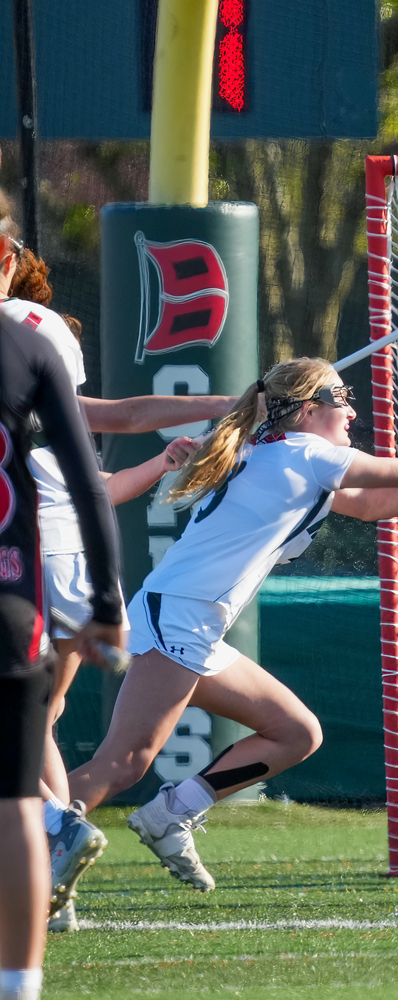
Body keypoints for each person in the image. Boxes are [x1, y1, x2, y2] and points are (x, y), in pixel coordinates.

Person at [63, 356, 398, 894]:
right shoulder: (306, 454)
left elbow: (375, 505)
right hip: (182, 614)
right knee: (125, 763)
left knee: (296, 733)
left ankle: (172, 812)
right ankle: (28, 838)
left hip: (190, 618)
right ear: (308, 409)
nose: (352, 410)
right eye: (341, 398)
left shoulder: (282, 454)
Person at [2, 249, 236, 931]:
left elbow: (111, 421)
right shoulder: (37, 331)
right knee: (38, 717)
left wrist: (224, 405)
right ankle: (52, 879)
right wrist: (224, 402)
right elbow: (117, 423)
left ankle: (52, 829)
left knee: (31, 723)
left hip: (28, 561)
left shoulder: (25, 329)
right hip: (67, 563)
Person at [0, 238, 122, 1000]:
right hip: (9, 599)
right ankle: (20, 985)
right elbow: (88, 482)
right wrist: (106, 602)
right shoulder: (29, 343)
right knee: (15, 800)